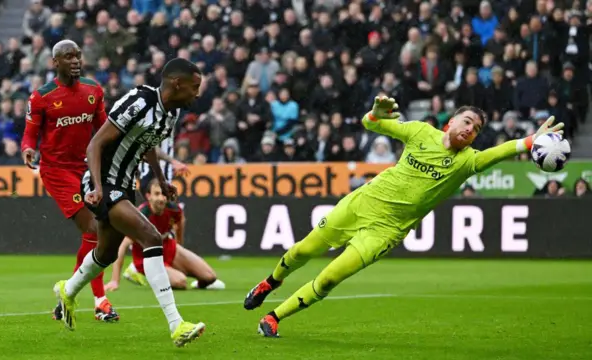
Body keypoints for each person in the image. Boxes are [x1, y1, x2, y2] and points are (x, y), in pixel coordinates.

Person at [244, 96, 564, 337]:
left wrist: (529, 141)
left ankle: (274, 317)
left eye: (476, 129)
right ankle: (270, 282)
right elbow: (371, 124)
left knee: (330, 278)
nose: (470, 129)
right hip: (361, 203)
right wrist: (374, 114)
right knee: (302, 250)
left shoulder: (468, 161)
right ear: (450, 122)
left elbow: (502, 150)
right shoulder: (419, 131)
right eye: (466, 121)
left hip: (387, 231)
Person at [52, 58, 205, 347]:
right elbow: (95, 144)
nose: (197, 93)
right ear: (177, 83)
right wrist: (97, 187)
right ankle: (176, 324)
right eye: (194, 87)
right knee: (150, 236)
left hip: (123, 187)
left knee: (106, 254)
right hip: (102, 183)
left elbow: (146, 144)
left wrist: (160, 178)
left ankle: (67, 290)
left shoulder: (170, 114)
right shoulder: (139, 100)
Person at [20, 40, 120, 322]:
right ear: (55, 62)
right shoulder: (41, 97)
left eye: (77, 55)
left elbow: (103, 130)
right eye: (68, 56)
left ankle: (69, 298)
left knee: (100, 230)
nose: (75, 60)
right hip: (56, 171)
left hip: (87, 168)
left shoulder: (93, 90)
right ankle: (100, 301)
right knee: (93, 227)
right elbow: (30, 134)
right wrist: (28, 149)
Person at [104, 178, 226, 291]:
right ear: (148, 196)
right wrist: (115, 280)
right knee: (180, 282)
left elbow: (181, 220)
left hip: (168, 248)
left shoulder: (173, 209)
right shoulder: (141, 217)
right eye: (157, 194)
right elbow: (122, 246)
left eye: (163, 194)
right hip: (147, 258)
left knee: (210, 277)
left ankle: (190, 281)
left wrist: (179, 245)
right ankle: (136, 269)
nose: (161, 198)